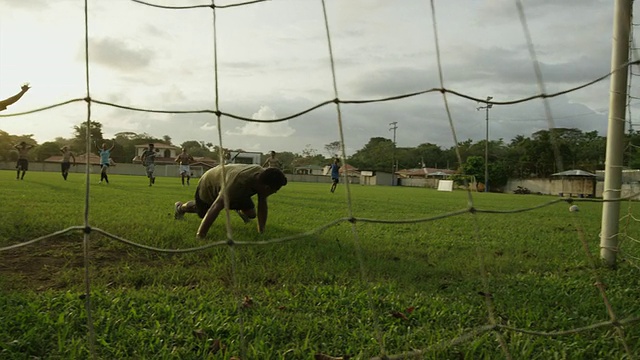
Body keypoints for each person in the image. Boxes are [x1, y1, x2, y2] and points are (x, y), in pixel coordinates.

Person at [174, 163, 288, 238]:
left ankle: (238, 207)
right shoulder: (236, 183)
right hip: (209, 183)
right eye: (275, 190)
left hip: (234, 187)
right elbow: (216, 207)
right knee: (202, 212)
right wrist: (200, 235)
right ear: (267, 188)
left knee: (251, 214)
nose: (275, 192)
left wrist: (261, 232)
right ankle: (180, 207)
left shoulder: (263, 178)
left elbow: (262, 204)